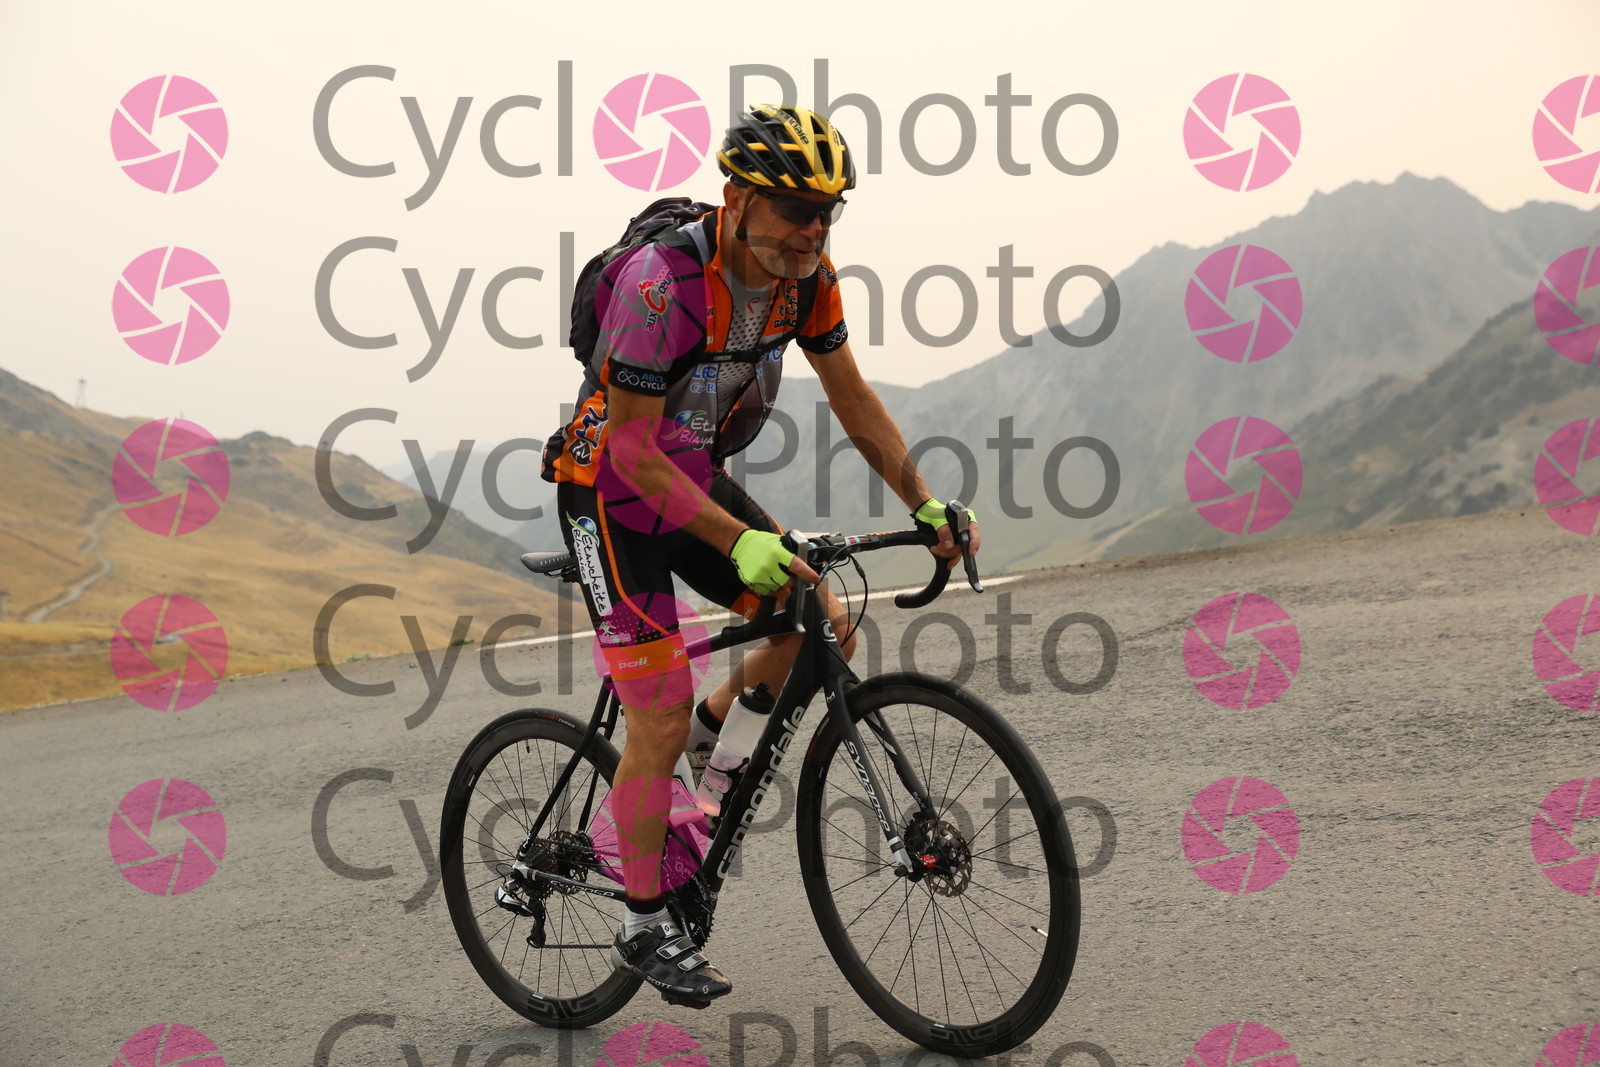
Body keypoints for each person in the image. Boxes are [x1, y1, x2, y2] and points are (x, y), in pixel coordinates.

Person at [539, 103, 980, 1005]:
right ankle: (641, 924)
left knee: (822, 623)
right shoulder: (661, 286)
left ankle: (701, 766)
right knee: (657, 708)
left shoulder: (807, 282)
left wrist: (924, 501)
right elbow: (629, 451)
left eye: (829, 212)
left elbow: (852, 397)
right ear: (738, 200)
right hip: (607, 487)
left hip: (687, 474)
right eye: (796, 209)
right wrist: (740, 540)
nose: (814, 230)